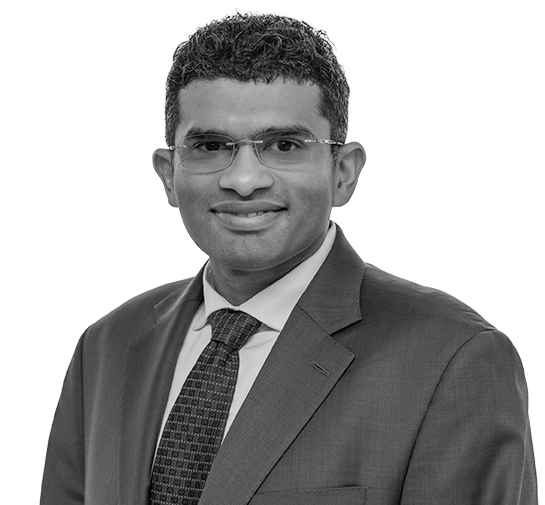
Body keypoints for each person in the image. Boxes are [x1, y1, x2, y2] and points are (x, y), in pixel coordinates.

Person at [40, 12, 537, 505]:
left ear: (343, 173)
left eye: (283, 145)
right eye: (211, 146)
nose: (243, 180)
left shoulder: (451, 359)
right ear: (169, 175)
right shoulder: (106, 349)